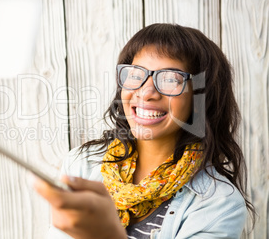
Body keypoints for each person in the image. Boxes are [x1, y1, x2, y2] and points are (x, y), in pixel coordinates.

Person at [34, 23, 255, 239]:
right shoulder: (81, 164)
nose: (146, 92)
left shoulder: (220, 204)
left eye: (170, 79)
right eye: (135, 74)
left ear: (201, 97)